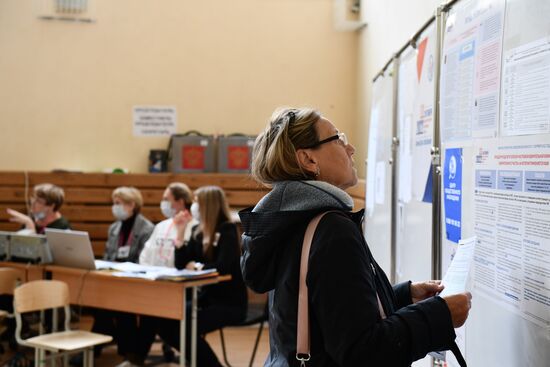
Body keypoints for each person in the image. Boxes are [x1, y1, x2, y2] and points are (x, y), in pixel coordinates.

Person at [238, 107, 472, 366]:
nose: (351, 149)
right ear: (308, 159)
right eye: (337, 139)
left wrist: (404, 296)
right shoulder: (331, 229)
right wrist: (440, 315)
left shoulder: (289, 218)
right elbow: (363, 352)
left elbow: (330, 310)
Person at [87, 187, 155, 365]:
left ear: (131, 205)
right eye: (113, 203)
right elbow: (108, 255)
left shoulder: (147, 228)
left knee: (119, 305)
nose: (114, 207)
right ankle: (121, 351)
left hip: (135, 281)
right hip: (114, 279)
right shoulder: (114, 228)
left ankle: (106, 350)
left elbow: (143, 260)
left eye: (118, 203)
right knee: (101, 304)